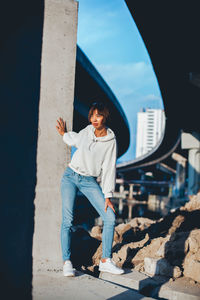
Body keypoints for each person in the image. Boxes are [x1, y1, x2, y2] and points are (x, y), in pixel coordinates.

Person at [56, 102, 124, 277]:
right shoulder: (86, 131)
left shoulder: (111, 140)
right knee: (67, 220)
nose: (94, 119)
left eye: (98, 115)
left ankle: (105, 261)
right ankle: (67, 261)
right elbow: (74, 140)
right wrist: (64, 134)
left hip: (88, 181)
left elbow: (109, 168)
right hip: (70, 176)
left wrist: (108, 195)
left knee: (110, 217)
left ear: (105, 117)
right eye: (92, 115)